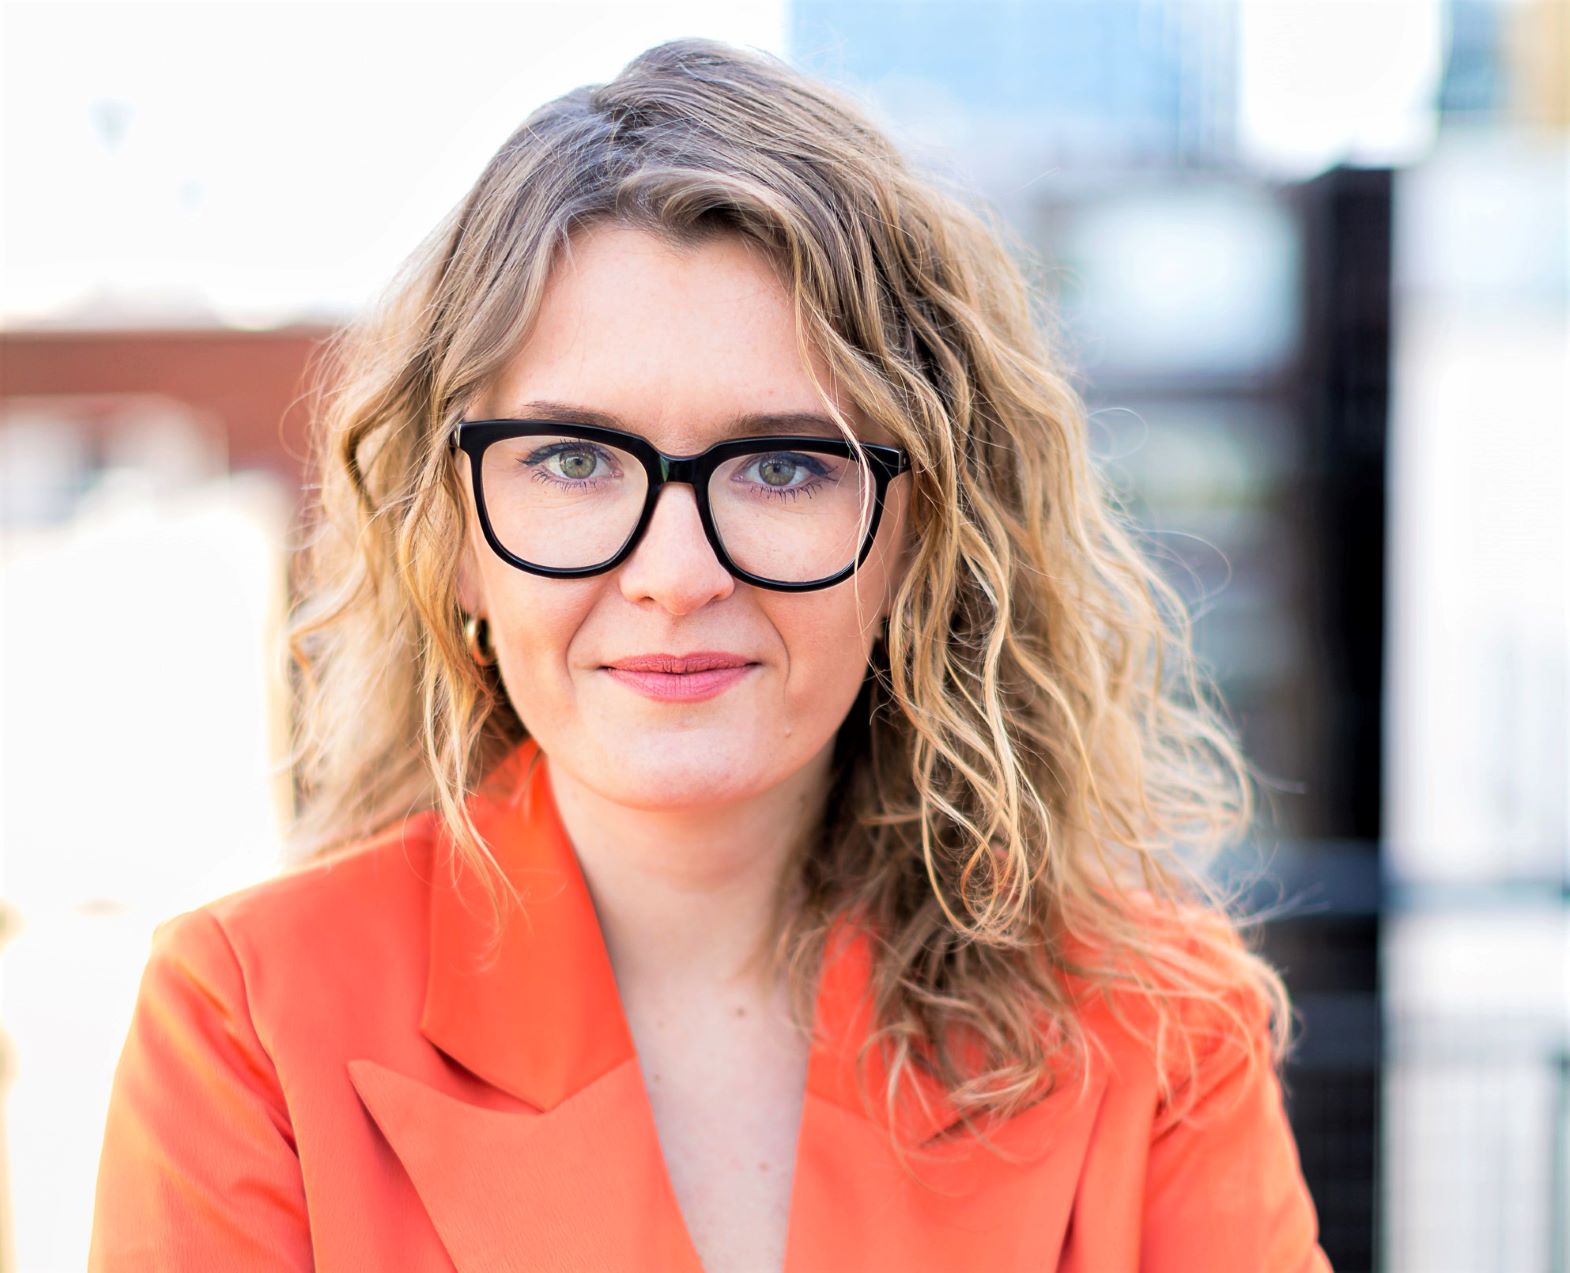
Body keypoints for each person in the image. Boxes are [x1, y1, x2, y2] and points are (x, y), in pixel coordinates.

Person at [88, 36, 1332, 1273]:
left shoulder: (1159, 1037)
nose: (676, 575)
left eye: (782, 465)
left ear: (920, 536)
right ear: (451, 535)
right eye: (572, 459)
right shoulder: (250, 1025)